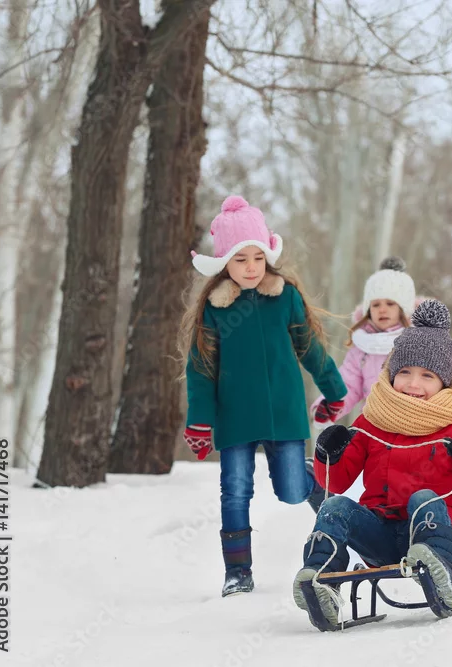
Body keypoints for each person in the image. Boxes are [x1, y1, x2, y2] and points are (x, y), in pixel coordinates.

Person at [291, 299, 452, 626]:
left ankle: (438, 568)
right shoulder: (372, 421)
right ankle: (320, 579)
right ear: (391, 373)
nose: (413, 384)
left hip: (432, 530)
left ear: (445, 383)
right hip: (378, 534)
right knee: (334, 506)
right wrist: (327, 454)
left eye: (427, 375)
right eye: (404, 372)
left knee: (423, 498)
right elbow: (335, 481)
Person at [180, 194, 348, 597]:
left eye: (258, 257)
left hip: (283, 413)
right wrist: (200, 421)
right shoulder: (216, 308)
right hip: (234, 416)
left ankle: (312, 482)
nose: (251, 267)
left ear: (268, 256)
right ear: (225, 262)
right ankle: (238, 572)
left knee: (290, 491)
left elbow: (308, 347)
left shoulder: (284, 297)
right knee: (235, 491)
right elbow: (201, 368)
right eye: (240, 259)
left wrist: (333, 390)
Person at [308, 255, 419, 430]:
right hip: (374, 425)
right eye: (375, 305)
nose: (382, 309)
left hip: (415, 424)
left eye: (390, 303)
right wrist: (329, 403)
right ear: (368, 310)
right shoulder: (362, 347)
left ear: (404, 308)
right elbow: (348, 384)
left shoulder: (420, 343)